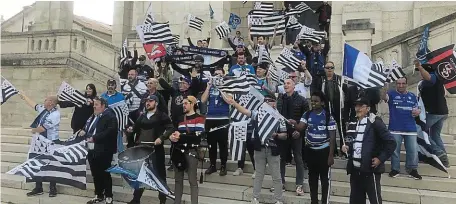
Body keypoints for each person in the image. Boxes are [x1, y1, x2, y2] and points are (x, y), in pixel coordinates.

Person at [227, 95, 285, 204]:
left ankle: (278, 200)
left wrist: (276, 135)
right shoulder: (258, 114)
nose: (267, 103)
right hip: (260, 148)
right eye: (265, 101)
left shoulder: (279, 117)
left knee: (276, 177)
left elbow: (284, 135)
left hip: (273, 150)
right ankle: (255, 198)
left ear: (275, 103)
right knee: (259, 175)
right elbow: (245, 111)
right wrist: (235, 104)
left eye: (270, 101)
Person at [342, 97, 396, 204]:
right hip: (355, 171)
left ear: (368, 108)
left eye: (361, 106)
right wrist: (346, 146)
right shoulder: (353, 123)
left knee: (374, 200)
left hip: (370, 171)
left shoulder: (375, 122)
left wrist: (380, 159)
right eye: (356, 106)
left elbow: (391, 142)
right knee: (355, 200)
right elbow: (349, 139)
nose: (358, 108)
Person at [289, 91, 336, 204]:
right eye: (312, 101)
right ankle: (313, 201)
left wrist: (330, 155)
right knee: (312, 179)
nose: (313, 103)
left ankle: (324, 201)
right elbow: (301, 127)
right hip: (310, 151)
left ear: (322, 102)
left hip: (323, 152)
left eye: (316, 101)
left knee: (324, 180)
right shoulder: (307, 114)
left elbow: (333, 138)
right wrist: (295, 123)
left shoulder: (328, 116)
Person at [126, 95, 174, 204]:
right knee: (140, 175)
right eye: (147, 101)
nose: (148, 103)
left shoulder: (162, 116)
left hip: (155, 151)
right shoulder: (142, 116)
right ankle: (136, 199)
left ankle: (162, 200)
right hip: (142, 150)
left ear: (156, 103)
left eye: (150, 101)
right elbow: (135, 129)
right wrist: (130, 130)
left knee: (160, 176)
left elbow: (170, 128)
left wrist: (161, 138)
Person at [19, 93, 60, 197]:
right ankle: (38, 187)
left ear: (51, 102)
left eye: (46, 100)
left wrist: (33, 130)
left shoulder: (55, 114)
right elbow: (34, 104)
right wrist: (24, 96)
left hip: (51, 142)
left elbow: (43, 128)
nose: (44, 101)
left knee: (51, 164)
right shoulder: (44, 110)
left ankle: (53, 188)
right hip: (40, 142)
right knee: (36, 162)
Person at [381, 77, 422, 179]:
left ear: (406, 84)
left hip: (411, 128)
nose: (401, 85)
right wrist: (385, 85)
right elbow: (382, 96)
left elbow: (417, 109)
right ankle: (395, 169)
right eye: (398, 83)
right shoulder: (391, 94)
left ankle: (412, 170)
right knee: (395, 150)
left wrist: (417, 112)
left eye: (403, 83)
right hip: (395, 128)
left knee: (413, 150)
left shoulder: (412, 96)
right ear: (396, 84)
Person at [169, 96, 205, 204]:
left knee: (192, 180)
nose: (183, 105)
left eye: (185, 103)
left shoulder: (199, 118)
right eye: (183, 103)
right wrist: (172, 137)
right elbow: (175, 132)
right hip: (178, 151)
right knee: (178, 180)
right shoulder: (179, 118)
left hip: (192, 151)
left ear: (192, 103)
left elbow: (197, 138)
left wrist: (181, 137)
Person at [275, 78, 308, 196]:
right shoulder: (280, 99)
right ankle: (281, 183)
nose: (285, 85)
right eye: (284, 83)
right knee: (281, 158)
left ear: (294, 86)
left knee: (298, 159)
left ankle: (299, 185)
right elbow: (276, 115)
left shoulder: (302, 100)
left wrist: (299, 130)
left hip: (296, 134)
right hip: (283, 134)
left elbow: (306, 118)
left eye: (288, 83)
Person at [84, 97, 118, 204]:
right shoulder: (95, 116)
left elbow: (110, 131)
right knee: (95, 173)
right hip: (92, 149)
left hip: (104, 150)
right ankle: (98, 194)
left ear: (103, 106)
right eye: (94, 104)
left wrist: (95, 138)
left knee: (104, 174)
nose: (94, 106)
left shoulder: (110, 116)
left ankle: (109, 196)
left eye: (96, 104)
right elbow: (89, 128)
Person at [414, 60, 449, 157]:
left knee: (419, 131)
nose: (420, 74)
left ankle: (437, 151)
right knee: (435, 135)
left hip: (434, 112)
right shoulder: (438, 78)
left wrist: (420, 67)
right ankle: (443, 158)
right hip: (441, 112)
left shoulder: (432, 77)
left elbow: (429, 78)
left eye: (421, 72)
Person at [201, 69, 230, 176]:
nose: (217, 76)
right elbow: (203, 100)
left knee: (222, 144)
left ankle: (223, 165)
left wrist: (221, 87)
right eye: (215, 74)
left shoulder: (228, 86)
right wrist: (208, 87)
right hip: (210, 119)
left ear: (223, 75)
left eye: (219, 74)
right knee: (211, 145)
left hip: (223, 118)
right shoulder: (210, 86)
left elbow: (228, 100)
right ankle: (212, 165)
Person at [321, 61, 346, 157]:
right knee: (330, 131)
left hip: (339, 108)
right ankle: (333, 151)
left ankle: (344, 151)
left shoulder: (340, 79)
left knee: (342, 130)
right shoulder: (322, 80)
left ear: (334, 68)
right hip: (327, 109)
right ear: (324, 69)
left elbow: (346, 93)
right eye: (327, 68)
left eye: (331, 67)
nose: (329, 69)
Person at [121, 69, 148, 148]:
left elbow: (145, 98)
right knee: (129, 134)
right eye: (129, 74)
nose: (130, 76)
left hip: (138, 113)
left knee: (139, 133)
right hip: (128, 113)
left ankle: (138, 150)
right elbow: (123, 100)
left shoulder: (142, 85)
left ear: (136, 75)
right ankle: (130, 150)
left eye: (132, 74)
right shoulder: (125, 86)